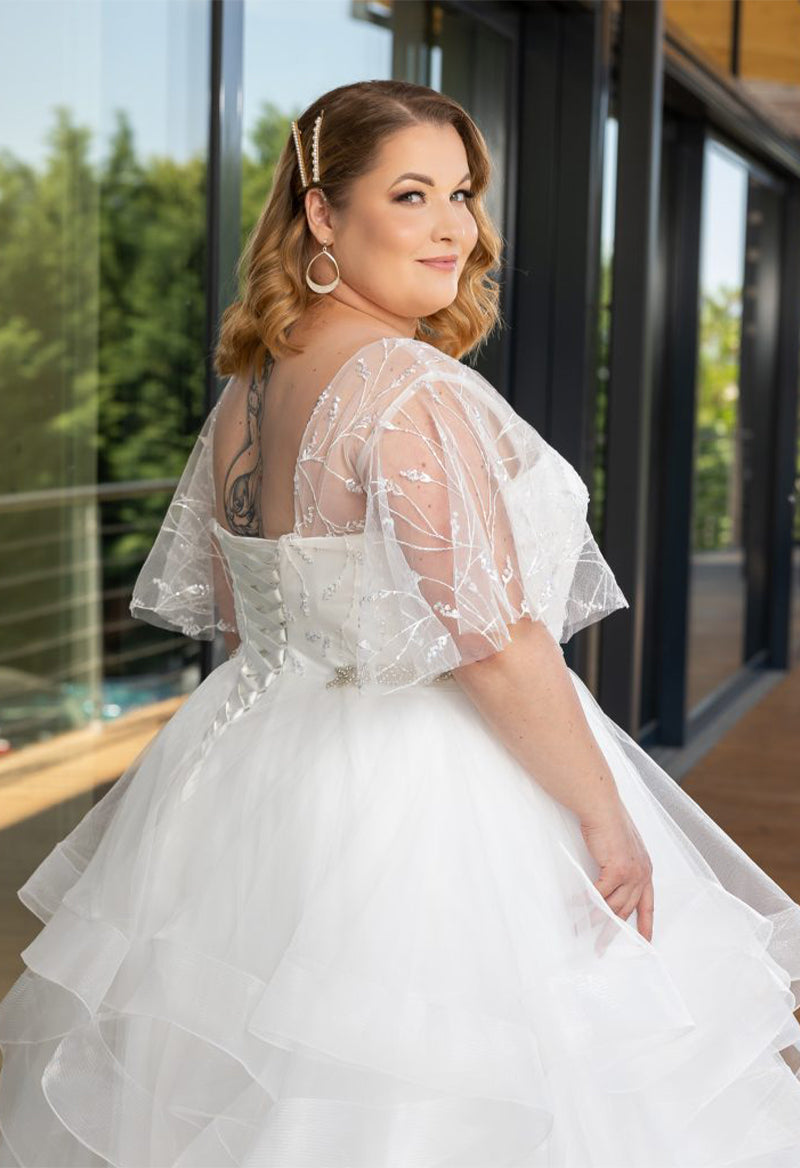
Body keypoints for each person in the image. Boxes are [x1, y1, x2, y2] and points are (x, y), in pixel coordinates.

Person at [0, 78, 799, 1168]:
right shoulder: (406, 390)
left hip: (245, 776)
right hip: (424, 794)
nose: (452, 227)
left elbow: (236, 605)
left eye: (460, 194)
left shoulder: (249, 389)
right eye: (410, 194)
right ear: (322, 215)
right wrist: (607, 823)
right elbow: (494, 645)